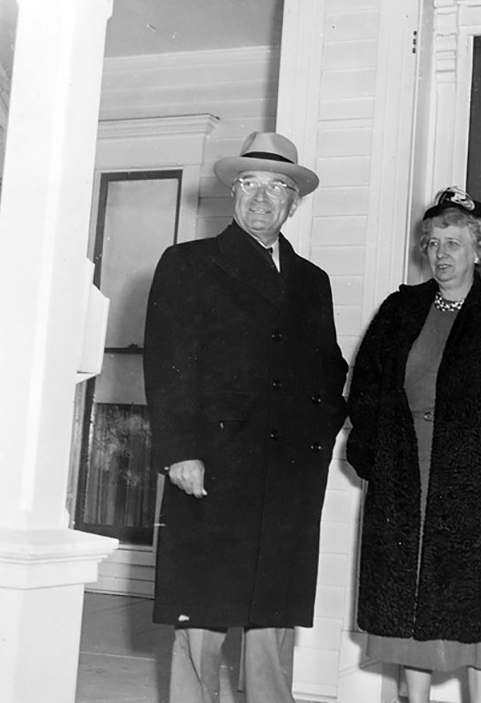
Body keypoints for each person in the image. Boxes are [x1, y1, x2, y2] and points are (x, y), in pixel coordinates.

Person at [143, 131, 349, 703]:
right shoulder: (188, 263)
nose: (261, 198)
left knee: (272, 610)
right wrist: (180, 450)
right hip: (211, 464)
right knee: (203, 605)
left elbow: (328, 369)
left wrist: (316, 440)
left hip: (287, 471)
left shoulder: (313, 281)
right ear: (233, 194)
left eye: (276, 186)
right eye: (249, 184)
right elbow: (168, 366)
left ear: (293, 203)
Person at [346, 187, 481, 703]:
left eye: (455, 243)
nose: (442, 254)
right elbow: (367, 389)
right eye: (434, 243)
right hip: (405, 469)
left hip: (478, 480)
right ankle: (416, 699)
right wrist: (370, 456)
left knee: (475, 602)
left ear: (480, 248)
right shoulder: (401, 308)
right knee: (407, 593)